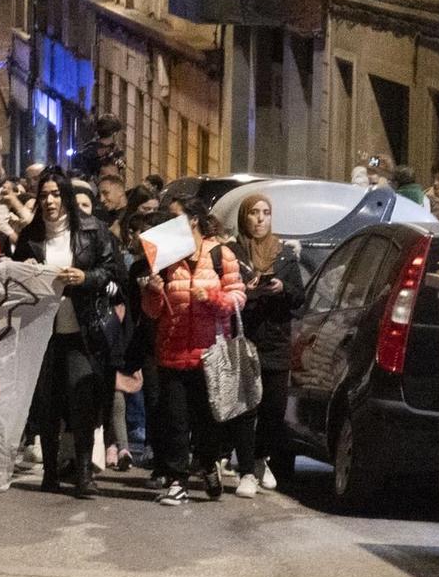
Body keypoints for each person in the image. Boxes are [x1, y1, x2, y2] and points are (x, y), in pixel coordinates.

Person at [15, 169, 127, 498]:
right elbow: (15, 274)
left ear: (65, 196)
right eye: (44, 195)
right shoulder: (31, 236)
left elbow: (112, 271)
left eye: (55, 194)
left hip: (83, 329)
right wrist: (27, 271)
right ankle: (50, 472)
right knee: (48, 404)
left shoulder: (93, 230)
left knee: (82, 401)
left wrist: (84, 277)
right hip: (45, 332)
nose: (49, 201)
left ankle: (83, 474)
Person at [140, 198, 245, 507]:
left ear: (193, 221)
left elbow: (238, 297)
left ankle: (209, 461)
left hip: (209, 355)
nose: (167, 223)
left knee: (207, 423)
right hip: (172, 351)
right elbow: (153, 311)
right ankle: (177, 481)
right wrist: (152, 291)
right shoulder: (166, 256)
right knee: (175, 420)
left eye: (174, 217)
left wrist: (212, 297)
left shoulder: (220, 255)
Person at [232, 193, 305, 497]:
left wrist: (282, 287)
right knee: (247, 406)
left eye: (266, 213)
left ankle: (262, 458)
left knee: (274, 408)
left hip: (276, 339)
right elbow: (224, 293)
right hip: (245, 337)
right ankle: (247, 470)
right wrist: (244, 291)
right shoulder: (233, 253)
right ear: (244, 217)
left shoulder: (285, 255)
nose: (260, 219)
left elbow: (299, 298)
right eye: (254, 213)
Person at [70, 115, 126, 180]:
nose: (124, 135)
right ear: (114, 134)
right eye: (120, 132)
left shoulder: (117, 153)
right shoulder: (84, 156)